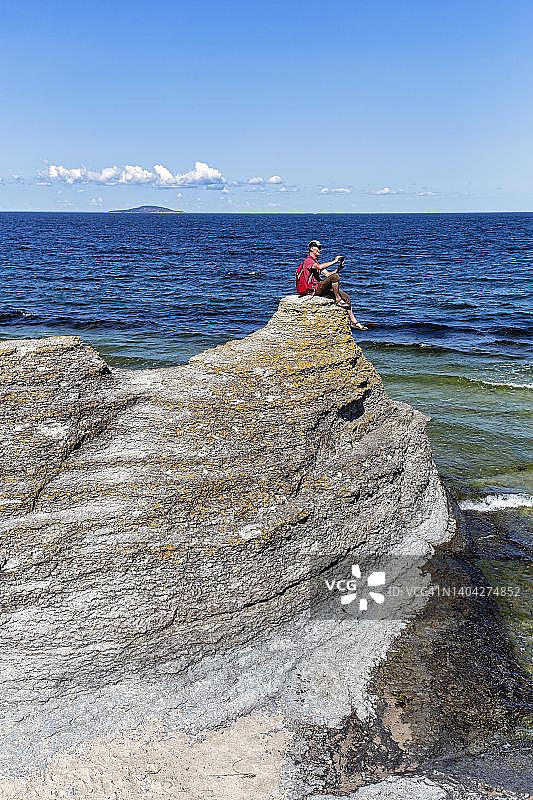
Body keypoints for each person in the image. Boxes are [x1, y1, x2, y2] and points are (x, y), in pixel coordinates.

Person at [296, 240, 368, 330]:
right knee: (335, 278)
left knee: (346, 297)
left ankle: (354, 322)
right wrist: (335, 261)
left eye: (320, 248)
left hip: (320, 286)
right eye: (318, 247)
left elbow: (328, 274)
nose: (320, 250)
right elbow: (320, 268)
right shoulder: (308, 261)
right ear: (311, 249)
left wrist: (339, 268)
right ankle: (338, 300)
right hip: (314, 288)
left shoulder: (316, 262)